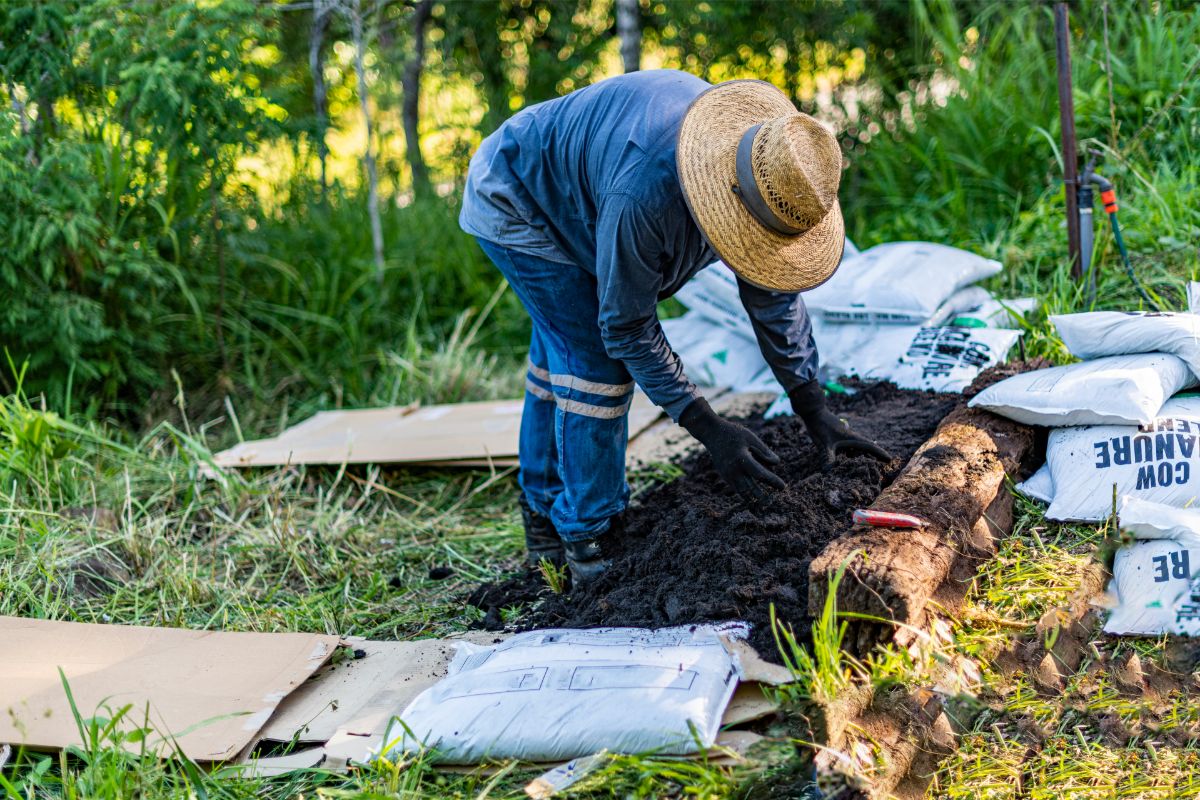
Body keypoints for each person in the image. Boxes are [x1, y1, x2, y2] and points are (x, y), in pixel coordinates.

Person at [460, 69, 888, 583]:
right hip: (518, 195)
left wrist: (812, 406)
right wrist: (706, 425)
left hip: (589, 196)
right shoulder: (647, 195)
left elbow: (772, 297)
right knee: (594, 362)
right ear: (726, 199)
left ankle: (548, 515)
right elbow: (626, 325)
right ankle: (588, 536)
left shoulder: (769, 172)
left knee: (562, 349)